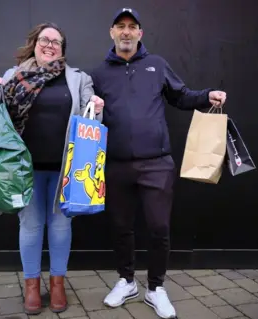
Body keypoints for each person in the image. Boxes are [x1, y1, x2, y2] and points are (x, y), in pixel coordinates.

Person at [90, 8, 227, 319]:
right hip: (116, 163)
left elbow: (181, 96)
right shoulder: (98, 75)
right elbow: (89, 116)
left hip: (156, 164)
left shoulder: (156, 64)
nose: (126, 32)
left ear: (140, 33)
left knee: (159, 227)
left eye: (132, 27)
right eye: (120, 27)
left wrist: (208, 96)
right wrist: (94, 107)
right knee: (121, 227)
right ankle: (126, 282)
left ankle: (155, 288)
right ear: (112, 33)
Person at [0, 22, 104, 315]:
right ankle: (31, 285)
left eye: (57, 42)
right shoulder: (13, 76)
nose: (50, 45)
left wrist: (96, 104)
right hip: (23, 169)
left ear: (62, 49)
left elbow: (90, 116)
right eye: (45, 39)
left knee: (60, 226)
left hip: (64, 169)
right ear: (34, 43)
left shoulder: (78, 78)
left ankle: (57, 283)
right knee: (30, 227)